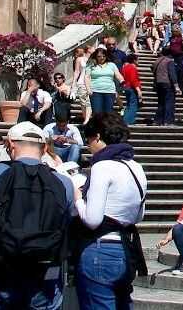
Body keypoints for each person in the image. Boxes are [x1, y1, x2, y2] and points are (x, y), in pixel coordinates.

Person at [0, 122, 76, 309]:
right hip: (43, 276)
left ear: (10, 145)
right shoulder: (63, 183)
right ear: (44, 147)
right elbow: (71, 223)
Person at [73, 112, 148, 309]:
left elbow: (92, 220)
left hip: (100, 250)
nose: (88, 146)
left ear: (97, 136)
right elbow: (139, 215)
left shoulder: (102, 166)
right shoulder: (136, 167)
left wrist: (78, 199)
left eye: (88, 140)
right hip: (126, 250)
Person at [86, 47, 123, 117]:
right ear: (96, 57)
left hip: (109, 91)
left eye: (104, 56)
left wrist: (122, 81)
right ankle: (97, 127)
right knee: (97, 113)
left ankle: (106, 127)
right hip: (95, 91)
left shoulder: (112, 65)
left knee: (108, 113)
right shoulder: (91, 65)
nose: (102, 58)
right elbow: (86, 77)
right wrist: (88, 89)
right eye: (99, 56)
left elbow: (118, 74)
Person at [152, 46, 179, 126]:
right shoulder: (169, 61)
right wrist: (176, 86)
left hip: (158, 83)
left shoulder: (157, 61)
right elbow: (172, 74)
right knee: (169, 102)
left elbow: (152, 69)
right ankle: (168, 120)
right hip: (167, 83)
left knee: (161, 102)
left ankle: (157, 120)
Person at [121, 53, 143, 125]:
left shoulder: (125, 67)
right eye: (138, 60)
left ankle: (125, 120)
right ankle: (129, 121)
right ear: (134, 60)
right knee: (133, 105)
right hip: (132, 88)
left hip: (126, 87)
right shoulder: (133, 68)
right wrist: (138, 90)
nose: (138, 61)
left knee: (128, 105)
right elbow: (133, 80)